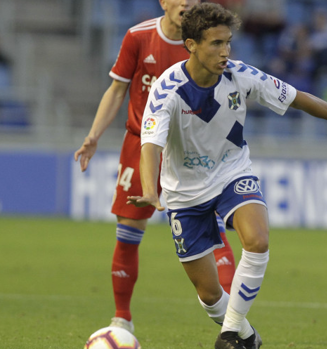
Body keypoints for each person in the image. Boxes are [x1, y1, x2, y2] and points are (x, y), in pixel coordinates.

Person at [127, 3, 327, 348]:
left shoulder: (242, 75)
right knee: (209, 295)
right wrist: (151, 191)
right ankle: (247, 336)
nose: (225, 52)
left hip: (231, 173)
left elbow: (298, 98)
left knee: (257, 240)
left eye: (228, 43)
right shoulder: (167, 89)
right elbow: (150, 144)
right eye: (215, 44)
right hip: (184, 191)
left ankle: (229, 332)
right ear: (191, 44)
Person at [73, 0, 237, 334]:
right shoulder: (138, 37)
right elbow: (118, 88)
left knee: (213, 231)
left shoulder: (206, 43)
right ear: (164, 1)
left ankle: (232, 319)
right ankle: (122, 317)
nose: (186, 4)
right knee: (129, 230)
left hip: (191, 148)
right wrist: (93, 136)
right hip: (141, 144)